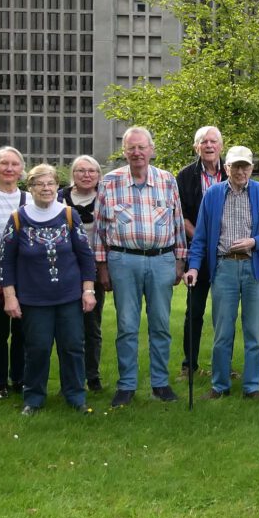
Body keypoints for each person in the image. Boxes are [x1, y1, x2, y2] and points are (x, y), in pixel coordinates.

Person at [93, 126, 188, 408]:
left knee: (160, 325)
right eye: (131, 148)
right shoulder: (110, 182)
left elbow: (178, 223)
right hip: (123, 261)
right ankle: (127, 385)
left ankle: (160, 383)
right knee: (126, 326)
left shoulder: (167, 181)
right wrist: (102, 268)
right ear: (124, 152)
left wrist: (180, 261)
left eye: (141, 147)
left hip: (161, 260)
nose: (137, 153)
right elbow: (99, 229)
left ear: (151, 150)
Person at [185, 146, 259, 400]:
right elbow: (201, 237)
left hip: (255, 268)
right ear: (226, 168)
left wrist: (254, 242)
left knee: (253, 331)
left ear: (251, 168)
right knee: (222, 331)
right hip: (224, 267)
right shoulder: (213, 194)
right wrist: (194, 267)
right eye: (235, 166)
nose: (241, 171)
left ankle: (252, 387)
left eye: (245, 166)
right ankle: (220, 385)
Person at [0, 165, 97, 415]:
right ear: (30, 188)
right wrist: (10, 296)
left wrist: (88, 291)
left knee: (73, 346)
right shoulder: (18, 218)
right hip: (34, 299)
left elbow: (86, 256)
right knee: (38, 348)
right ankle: (33, 398)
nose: (46, 188)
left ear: (56, 186)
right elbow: (6, 261)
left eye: (50, 183)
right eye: (39, 184)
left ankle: (75, 395)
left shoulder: (69, 215)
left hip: (69, 297)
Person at [175, 126, 226, 379]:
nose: (208, 145)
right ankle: (189, 365)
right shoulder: (185, 177)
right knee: (193, 312)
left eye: (213, 141)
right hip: (197, 254)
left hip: (226, 255)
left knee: (224, 313)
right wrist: (203, 239)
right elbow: (180, 216)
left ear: (221, 146)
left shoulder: (232, 172)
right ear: (197, 147)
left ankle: (222, 365)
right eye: (203, 142)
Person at [60, 155, 106, 392]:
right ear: (72, 174)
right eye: (81, 171)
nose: (86, 175)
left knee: (92, 326)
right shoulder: (60, 198)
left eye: (92, 171)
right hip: (64, 272)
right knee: (67, 328)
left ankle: (92, 376)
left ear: (98, 175)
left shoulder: (105, 198)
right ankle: (70, 377)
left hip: (95, 271)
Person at [0, 145, 26, 399]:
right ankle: (0, 382)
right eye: (4, 163)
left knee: (22, 332)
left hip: (25, 277)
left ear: (21, 170)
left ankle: (19, 379)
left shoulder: (31, 199)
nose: (9, 168)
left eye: (14, 164)